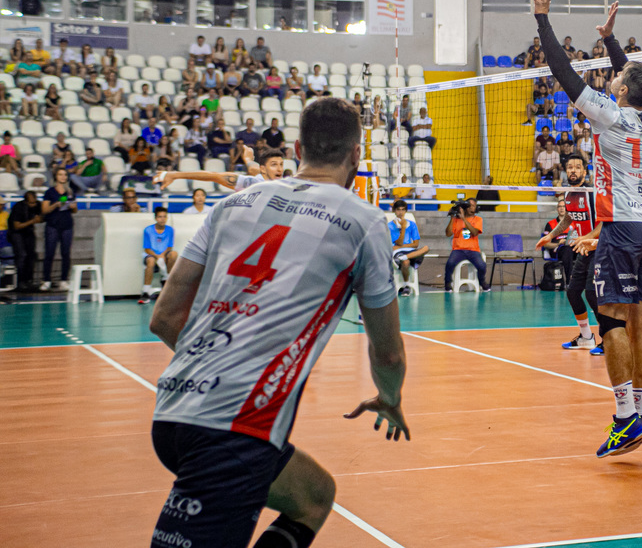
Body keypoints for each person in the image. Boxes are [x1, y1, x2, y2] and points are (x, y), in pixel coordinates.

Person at [147, 96, 409, 548]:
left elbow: (165, 317)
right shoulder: (364, 221)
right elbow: (387, 353)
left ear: (296, 150)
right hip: (233, 425)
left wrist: (215, 367)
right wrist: (390, 398)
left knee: (313, 495)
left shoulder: (231, 204)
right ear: (356, 156)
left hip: (173, 407)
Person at [530, 0, 642, 457]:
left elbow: (563, 72)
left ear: (622, 89)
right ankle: (641, 413)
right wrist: (610, 41)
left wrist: (542, 18)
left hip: (622, 227)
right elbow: (635, 79)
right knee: (640, 323)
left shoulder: (610, 114)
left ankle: (626, 417)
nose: (613, 76)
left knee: (610, 322)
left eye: (618, 76)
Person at [537, 155, 603, 350]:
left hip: (599, 248)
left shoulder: (592, 193)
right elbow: (568, 219)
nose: (573, 170)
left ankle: (609, 338)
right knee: (573, 292)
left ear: (584, 171)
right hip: (584, 250)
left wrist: (586, 237)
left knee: (592, 294)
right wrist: (551, 236)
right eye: (570, 167)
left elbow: (605, 222)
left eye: (577, 167)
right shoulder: (567, 194)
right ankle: (586, 337)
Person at [156, 147, 285, 192]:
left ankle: (247, 159)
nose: (279, 169)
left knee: (252, 168)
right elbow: (214, 176)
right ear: (263, 169)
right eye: (274, 164)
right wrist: (176, 175)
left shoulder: (287, 183)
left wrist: (248, 160)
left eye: (281, 164)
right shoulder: (254, 183)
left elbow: (254, 169)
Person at [41, 168, 77, 289]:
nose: (63, 177)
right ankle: (46, 279)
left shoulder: (70, 192)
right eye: (60, 174)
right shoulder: (50, 192)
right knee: (49, 253)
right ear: (56, 176)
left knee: (66, 253)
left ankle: (64, 279)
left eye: (65, 175)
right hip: (53, 225)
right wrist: (55, 205)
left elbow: (75, 210)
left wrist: (72, 206)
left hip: (67, 225)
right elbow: (44, 210)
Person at [444, 198, 487, 291]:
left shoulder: (478, 219)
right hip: (458, 250)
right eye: (470, 205)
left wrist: (463, 219)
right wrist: (452, 218)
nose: (472, 208)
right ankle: (447, 283)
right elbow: (448, 234)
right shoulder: (456, 220)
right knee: (450, 263)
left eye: (474, 206)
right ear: (465, 207)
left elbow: (474, 232)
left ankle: (482, 281)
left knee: (482, 265)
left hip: (473, 250)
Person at [139, 207, 178, 305]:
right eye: (160, 217)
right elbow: (147, 249)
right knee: (151, 261)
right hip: (151, 254)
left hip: (164, 254)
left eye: (164, 217)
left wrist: (162, 255)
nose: (162, 219)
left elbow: (169, 247)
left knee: (174, 254)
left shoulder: (170, 230)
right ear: (156, 218)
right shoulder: (148, 230)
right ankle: (145, 292)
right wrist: (157, 256)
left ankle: (166, 281)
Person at [390, 199, 427, 292]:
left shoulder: (412, 224)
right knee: (406, 263)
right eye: (398, 210)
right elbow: (399, 243)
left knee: (426, 248)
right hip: (397, 252)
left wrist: (400, 247)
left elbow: (416, 244)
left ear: (406, 211)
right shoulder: (389, 226)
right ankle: (406, 285)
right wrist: (403, 227)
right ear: (394, 211)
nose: (401, 212)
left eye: (403, 210)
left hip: (410, 252)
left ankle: (404, 257)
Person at [8, 190, 41, 291]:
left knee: (31, 255)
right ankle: (20, 281)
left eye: (34, 202)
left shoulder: (37, 205)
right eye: (31, 203)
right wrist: (33, 221)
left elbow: (42, 215)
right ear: (26, 202)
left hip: (28, 232)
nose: (33, 205)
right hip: (17, 233)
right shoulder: (19, 207)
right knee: (22, 255)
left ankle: (29, 280)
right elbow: (16, 226)